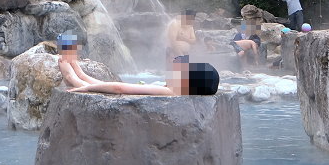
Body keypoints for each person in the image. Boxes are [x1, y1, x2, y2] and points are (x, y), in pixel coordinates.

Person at [61, 59, 219, 97]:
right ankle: (80, 75)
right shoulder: (176, 91)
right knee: (105, 85)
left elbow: (119, 88)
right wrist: (83, 75)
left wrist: (85, 87)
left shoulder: (169, 91)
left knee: (103, 88)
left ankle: (74, 79)